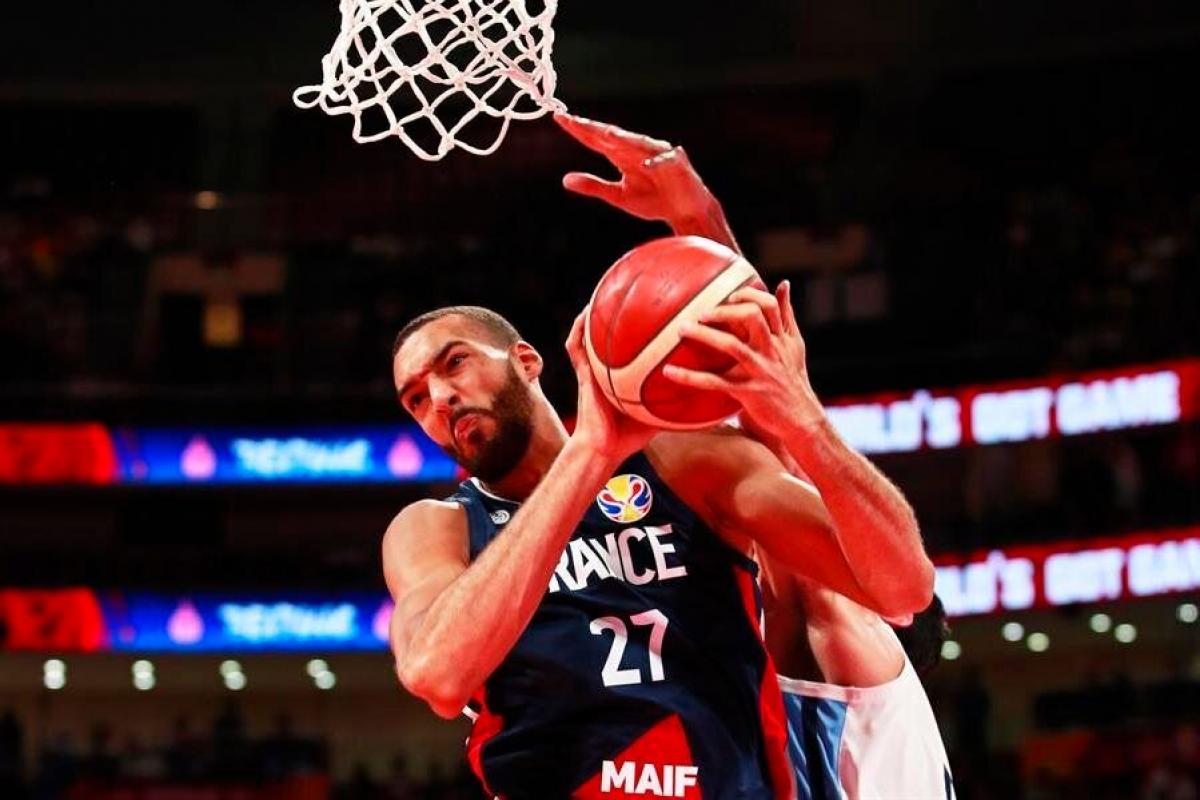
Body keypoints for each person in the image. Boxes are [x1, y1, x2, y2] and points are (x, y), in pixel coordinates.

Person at [382, 130, 934, 800]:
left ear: (527, 361)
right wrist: (589, 454)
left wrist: (802, 419)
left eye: (455, 363)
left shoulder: (685, 466)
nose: (440, 398)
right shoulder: (435, 528)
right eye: (416, 399)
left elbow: (900, 591)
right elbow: (438, 675)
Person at [557, 113, 955, 800]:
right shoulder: (858, 666)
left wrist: (697, 217)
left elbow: (776, 447)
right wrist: (696, 219)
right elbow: (775, 440)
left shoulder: (846, 640)